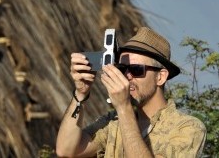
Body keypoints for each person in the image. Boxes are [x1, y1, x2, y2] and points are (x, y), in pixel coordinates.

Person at [55, 27, 206, 157]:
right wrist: (80, 94)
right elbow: (66, 150)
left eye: (136, 69)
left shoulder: (187, 127)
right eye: (123, 69)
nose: (127, 76)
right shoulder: (113, 122)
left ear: (160, 77)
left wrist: (123, 108)